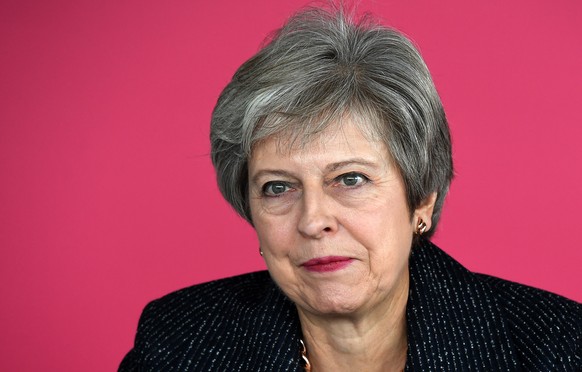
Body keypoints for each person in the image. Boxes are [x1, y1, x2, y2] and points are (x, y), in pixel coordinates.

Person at [119, 5, 581, 371]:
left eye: (351, 179)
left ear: (421, 198)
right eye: (278, 188)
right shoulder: (180, 340)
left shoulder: (556, 346)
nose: (314, 220)